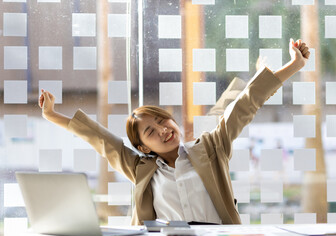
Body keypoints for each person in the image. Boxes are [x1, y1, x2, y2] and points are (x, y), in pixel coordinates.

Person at [39, 39, 310, 225]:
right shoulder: (140, 168)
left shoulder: (210, 148)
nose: (163, 129)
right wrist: (52, 115)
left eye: (163, 120)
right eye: (150, 130)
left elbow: (243, 106)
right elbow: (99, 139)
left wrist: (293, 66)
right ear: (143, 147)